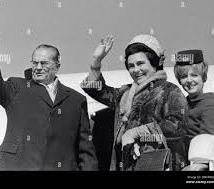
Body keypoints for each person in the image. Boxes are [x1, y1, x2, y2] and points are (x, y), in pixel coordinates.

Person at [0, 23, 98, 171]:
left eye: (44, 63)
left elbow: (85, 148)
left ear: (57, 66)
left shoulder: (76, 100)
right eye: (35, 63)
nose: (38, 67)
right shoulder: (17, 87)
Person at [81, 34, 189, 171]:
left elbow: (178, 126)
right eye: (131, 66)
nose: (136, 70)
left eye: (141, 63)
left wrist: (136, 134)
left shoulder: (169, 91)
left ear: (154, 62)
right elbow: (95, 90)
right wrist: (96, 62)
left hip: (161, 165)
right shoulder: (124, 94)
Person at [173, 49, 214, 151]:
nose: (189, 80)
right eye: (183, 76)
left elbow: (204, 145)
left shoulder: (211, 107)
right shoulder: (180, 105)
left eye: (194, 75)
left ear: (203, 77)